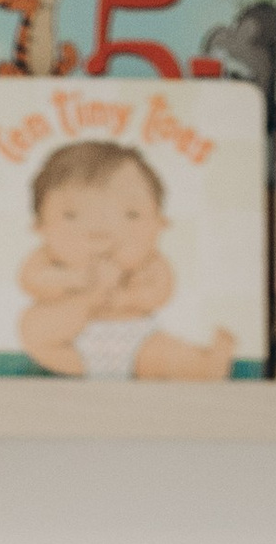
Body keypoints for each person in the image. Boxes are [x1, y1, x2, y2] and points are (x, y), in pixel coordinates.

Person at [16, 137, 236, 380]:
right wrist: (77, 280)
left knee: (160, 354)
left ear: (159, 224)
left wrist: (127, 298)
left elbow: (160, 290)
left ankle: (203, 366)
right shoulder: (46, 257)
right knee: (35, 326)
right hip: (69, 345)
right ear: (40, 226)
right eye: (71, 216)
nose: (100, 233)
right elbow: (32, 280)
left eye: (130, 215)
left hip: (134, 337)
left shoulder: (150, 262)